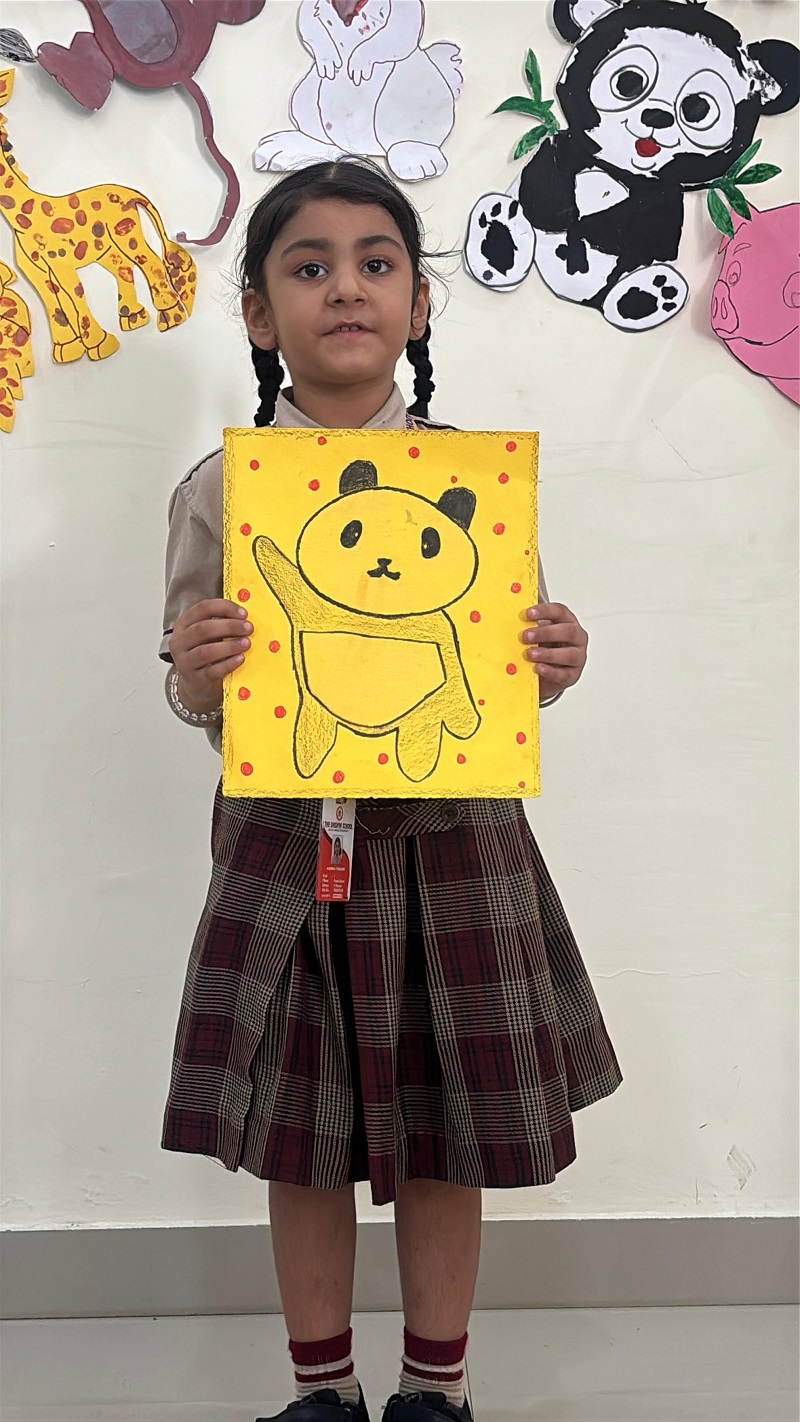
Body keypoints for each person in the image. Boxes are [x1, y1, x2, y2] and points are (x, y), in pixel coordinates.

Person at [160, 158, 623, 1422]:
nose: (345, 289)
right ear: (260, 314)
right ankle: (321, 1392)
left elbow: (505, 670)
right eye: (307, 267)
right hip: (283, 845)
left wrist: (553, 660)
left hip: (456, 840)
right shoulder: (220, 489)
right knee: (298, 1128)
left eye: (375, 264)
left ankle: (435, 1389)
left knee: (445, 1118)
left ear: (417, 303)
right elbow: (193, 688)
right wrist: (195, 675)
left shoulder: (477, 481)